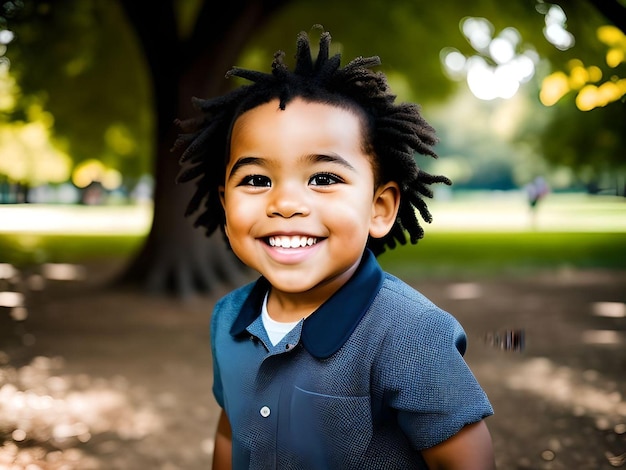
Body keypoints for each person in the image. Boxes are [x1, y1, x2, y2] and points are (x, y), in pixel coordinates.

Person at [173, 26, 495, 470]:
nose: (285, 203)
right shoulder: (228, 319)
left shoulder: (410, 334)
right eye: (255, 180)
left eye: (324, 178)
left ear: (379, 209)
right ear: (225, 204)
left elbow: (466, 462)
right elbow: (231, 429)